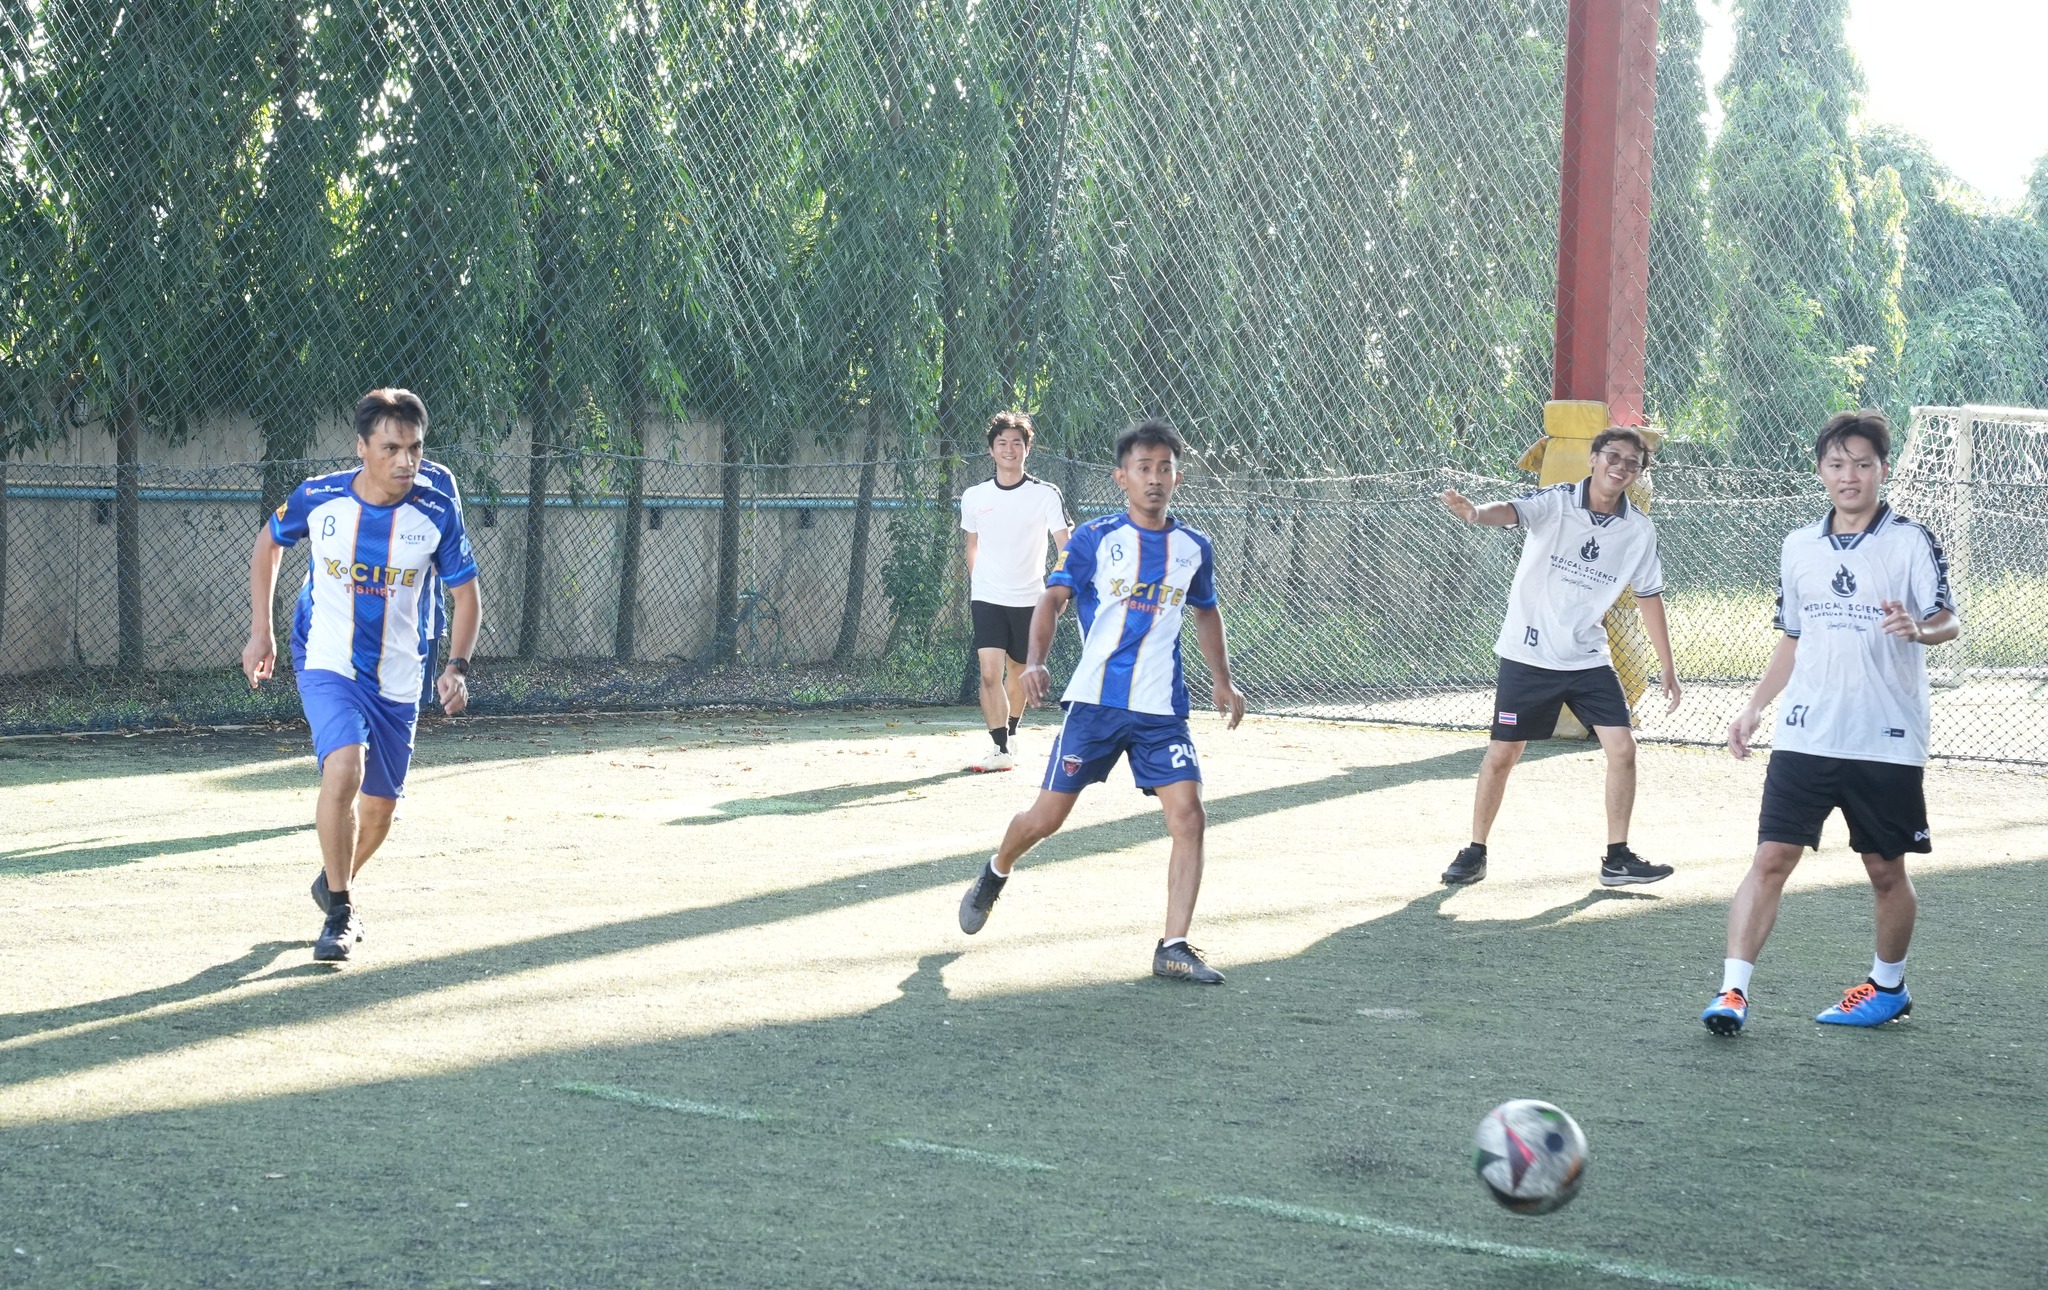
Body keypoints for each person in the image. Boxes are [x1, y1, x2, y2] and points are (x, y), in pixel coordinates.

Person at [956, 418, 1246, 984]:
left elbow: (1206, 611)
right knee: (1045, 819)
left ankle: (1173, 946)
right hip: (1095, 706)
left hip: (1162, 711)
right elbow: (1051, 599)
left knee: (1189, 816)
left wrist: (1222, 679)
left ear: (1177, 477)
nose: (1154, 478)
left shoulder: (1193, 548)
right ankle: (997, 869)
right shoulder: (1094, 540)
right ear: (1121, 478)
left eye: (1165, 468)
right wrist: (1035, 661)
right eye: (1143, 468)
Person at [1703, 409, 1958, 1036]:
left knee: (1885, 869)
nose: (1850, 476)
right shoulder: (1799, 546)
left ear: (1883, 470)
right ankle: (1732, 992)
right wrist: (1754, 706)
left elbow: (1947, 619)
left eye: (1863, 464)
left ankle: (1887, 987)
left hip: (1885, 737)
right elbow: (1793, 637)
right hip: (1806, 733)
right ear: (1821, 471)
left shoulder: (1910, 540)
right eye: (1838, 464)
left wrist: (1919, 629)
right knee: (1771, 857)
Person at [242, 389, 482, 963]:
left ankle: (334, 879)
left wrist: (457, 667)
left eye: (415, 448)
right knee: (344, 767)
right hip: (326, 659)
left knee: (379, 809)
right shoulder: (319, 498)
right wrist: (261, 631)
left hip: (400, 673)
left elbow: (467, 597)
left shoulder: (437, 512)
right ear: (362, 448)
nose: (406, 461)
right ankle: (341, 912)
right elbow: (268, 542)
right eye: (391, 448)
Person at [1439, 426, 1682, 888]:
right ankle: (1475, 851)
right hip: (1528, 654)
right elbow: (1510, 511)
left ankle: (1617, 859)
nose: (1621, 467)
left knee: (1623, 748)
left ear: (1638, 474)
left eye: (1632, 463)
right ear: (1593, 458)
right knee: (1503, 754)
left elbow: (1649, 596)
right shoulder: (1556, 501)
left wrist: (1668, 666)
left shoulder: (1638, 530)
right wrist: (1474, 513)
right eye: (1613, 456)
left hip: (1588, 658)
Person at [959, 411, 1072, 772]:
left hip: (1031, 600)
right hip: (987, 597)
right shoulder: (974, 496)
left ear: (1027, 449)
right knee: (989, 673)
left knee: (1020, 672)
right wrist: (979, 583)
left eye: (1016, 443)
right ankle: (999, 748)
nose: (1009, 449)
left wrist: (1060, 590)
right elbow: (972, 546)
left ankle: (1011, 731)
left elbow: (1066, 546)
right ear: (991, 450)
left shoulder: (1046, 494)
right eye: (1002, 443)